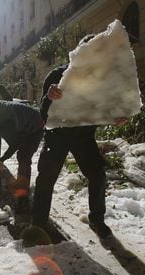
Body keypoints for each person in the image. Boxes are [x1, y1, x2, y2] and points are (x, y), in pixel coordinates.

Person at [31, 36, 128, 239]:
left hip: (84, 136)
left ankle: (97, 219)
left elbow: (101, 109)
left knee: (98, 176)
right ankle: (38, 222)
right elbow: (43, 113)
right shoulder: (57, 75)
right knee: (45, 180)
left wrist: (114, 117)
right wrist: (49, 98)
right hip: (56, 136)